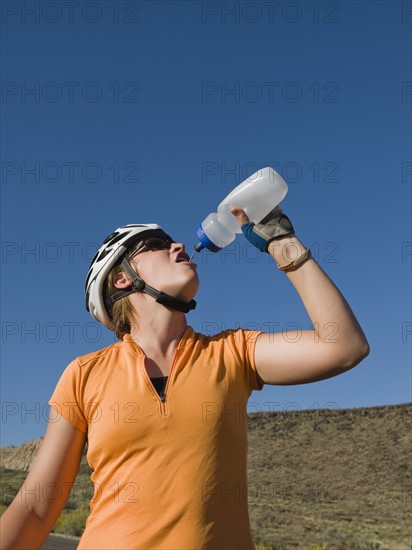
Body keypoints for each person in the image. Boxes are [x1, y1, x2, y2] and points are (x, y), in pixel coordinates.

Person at [0, 207, 369, 549]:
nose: (177, 245)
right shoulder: (83, 374)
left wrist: (282, 242)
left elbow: (343, 346)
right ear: (122, 278)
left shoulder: (233, 353)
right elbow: (35, 509)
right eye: (156, 245)